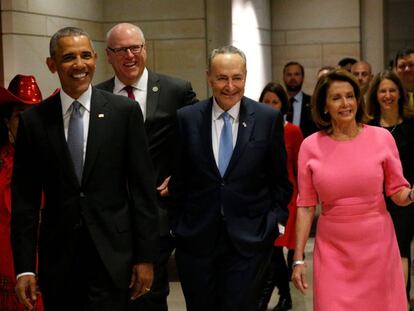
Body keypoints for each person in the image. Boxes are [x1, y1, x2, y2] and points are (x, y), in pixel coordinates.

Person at [11, 27, 159, 311]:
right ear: (52, 64)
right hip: (59, 262)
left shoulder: (124, 113)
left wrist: (145, 257)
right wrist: (25, 268)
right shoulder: (34, 121)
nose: (79, 65)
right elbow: (25, 202)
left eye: (85, 56)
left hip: (114, 258)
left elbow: (142, 190)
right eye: (68, 57)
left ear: (95, 59)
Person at [169, 46, 292, 311]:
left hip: (250, 242)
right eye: (222, 78)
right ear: (209, 78)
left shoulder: (267, 119)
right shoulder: (186, 119)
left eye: (237, 77)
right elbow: (179, 181)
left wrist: (274, 224)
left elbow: (280, 181)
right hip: (196, 241)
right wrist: (177, 226)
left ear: (246, 77)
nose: (230, 86)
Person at [96, 23, 197, 311]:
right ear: (109, 55)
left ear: (145, 49)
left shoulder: (175, 90)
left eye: (135, 48)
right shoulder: (97, 95)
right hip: (110, 220)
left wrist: (180, 175)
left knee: (151, 296)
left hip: (156, 216)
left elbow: (200, 139)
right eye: (121, 50)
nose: (130, 55)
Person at [292, 69, 412, 311]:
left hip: (378, 247)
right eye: (336, 98)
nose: (345, 103)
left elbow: (398, 192)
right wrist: (298, 259)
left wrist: (411, 194)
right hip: (332, 251)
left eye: (350, 96)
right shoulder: (310, 146)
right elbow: (305, 206)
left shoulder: (382, 138)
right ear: (324, 105)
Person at [0, 75, 48, 311]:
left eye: (35, 113)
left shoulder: (55, 160)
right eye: (21, 115)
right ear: (7, 121)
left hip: (47, 260)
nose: (29, 122)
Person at [367, 70, 414, 306]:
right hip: (374, 202)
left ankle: (401, 303)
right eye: (383, 90)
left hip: (405, 198)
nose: (387, 95)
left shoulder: (412, 125)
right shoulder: (367, 127)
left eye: (392, 90)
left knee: (401, 250)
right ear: (375, 95)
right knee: (378, 257)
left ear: (400, 94)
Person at [257, 82, 303, 311]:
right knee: (270, 249)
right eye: (266, 101)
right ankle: (284, 297)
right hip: (263, 197)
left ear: (283, 105)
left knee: (274, 248)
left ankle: (264, 300)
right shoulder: (255, 128)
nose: (271, 106)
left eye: (275, 101)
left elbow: (299, 168)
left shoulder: (292, 131)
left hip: (288, 198)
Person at [283, 61, 317, 137]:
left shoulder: (312, 102)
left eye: (296, 74)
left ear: (302, 77)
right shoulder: (278, 102)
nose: (293, 78)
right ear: (283, 77)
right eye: (289, 74)